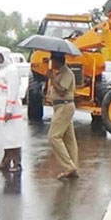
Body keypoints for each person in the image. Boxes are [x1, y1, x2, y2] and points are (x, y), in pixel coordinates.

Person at [0, 46, 24, 173]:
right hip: (1, 107)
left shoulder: (11, 71)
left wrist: (9, 109)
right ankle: (5, 161)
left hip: (10, 109)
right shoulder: (2, 70)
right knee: (5, 137)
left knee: (13, 137)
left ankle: (16, 162)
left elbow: (13, 91)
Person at [46, 51, 79, 179]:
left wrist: (52, 78)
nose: (51, 63)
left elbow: (62, 90)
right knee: (69, 139)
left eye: (52, 60)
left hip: (64, 106)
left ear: (57, 61)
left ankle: (68, 166)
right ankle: (73, 167)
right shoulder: (60, 73)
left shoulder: (67, 73)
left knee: (53, 136)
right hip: (60, 107)